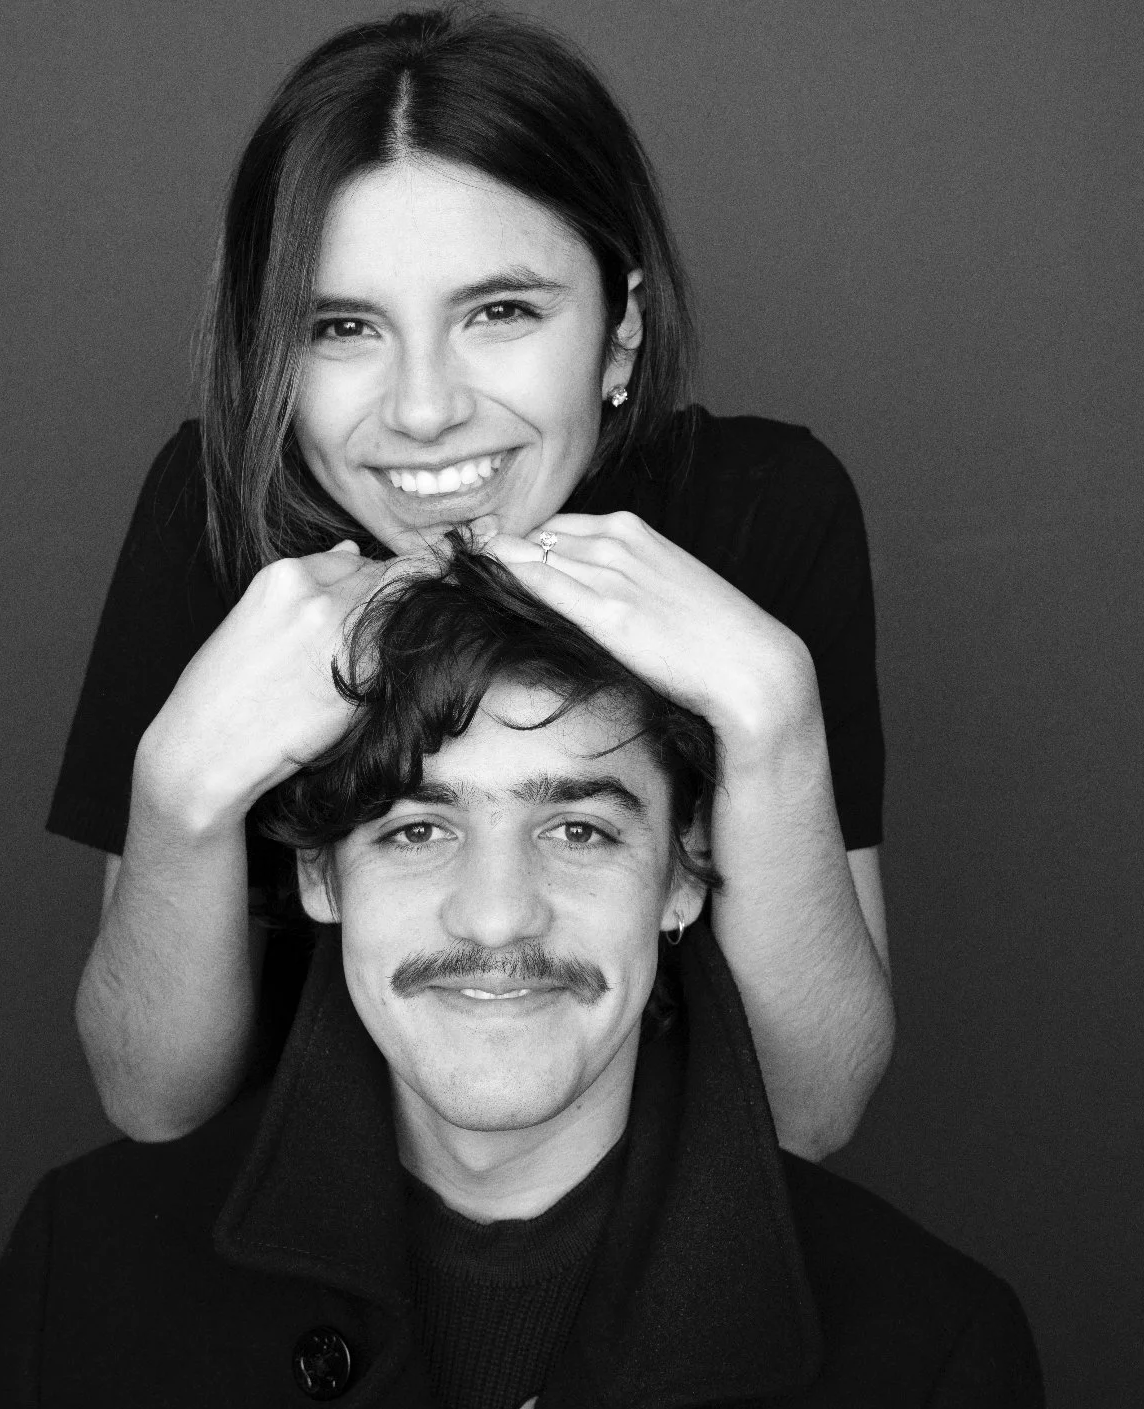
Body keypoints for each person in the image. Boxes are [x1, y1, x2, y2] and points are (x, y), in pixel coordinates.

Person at [0, 545, 1051, 1409]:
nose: (498, 912)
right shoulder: (80, 1287)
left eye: (581, 830)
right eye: (415, 830)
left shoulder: (930, 1356)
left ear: (686, 878)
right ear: (319, 875)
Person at [48, 6, 894, 1156]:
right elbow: (152, 1098)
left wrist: (772, 715)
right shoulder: (216, 515)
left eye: (499, 312)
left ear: (620, 332)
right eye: (342, 327)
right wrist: (181, 790)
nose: (424, 409)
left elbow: (813, 1111)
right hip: (305, 1242)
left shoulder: (766, 509)